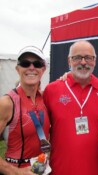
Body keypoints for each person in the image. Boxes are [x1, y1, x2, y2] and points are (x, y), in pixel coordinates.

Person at [43, 40, 98, 175]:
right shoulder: (51, 90)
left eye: (88, 57)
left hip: (94, 170)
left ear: (94, 60)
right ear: (69, 61)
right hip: (59, 170)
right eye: (77, 58)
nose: (83, 62)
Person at [0, 46, 50, 175]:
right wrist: (15, 172)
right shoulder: (7, 102)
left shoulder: (46, 97)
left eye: (37, 64)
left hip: (42, 168)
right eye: (25, 63)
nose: (31, 67)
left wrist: (67, 77)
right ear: (18, 69)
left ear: (43, 69)